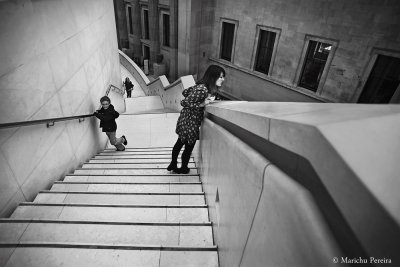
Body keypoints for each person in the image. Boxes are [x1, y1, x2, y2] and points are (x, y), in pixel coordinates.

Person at [167, 65, 226, 174]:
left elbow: (185, 92)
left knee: (180, 142)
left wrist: (200, 98)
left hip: (187, 119)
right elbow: (184, 102)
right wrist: (202, 103)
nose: (223, 79)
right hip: (190, 122)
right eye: (221, 77)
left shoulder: (201, 87)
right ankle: (183, 167)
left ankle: (174, 164)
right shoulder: (202, 89)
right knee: (188, 146)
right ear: (213, 77)